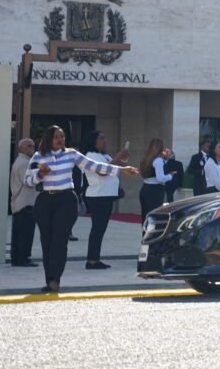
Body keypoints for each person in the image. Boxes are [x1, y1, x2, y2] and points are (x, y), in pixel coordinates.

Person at [25, 125, 138, 293]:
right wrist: (40, 175)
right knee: (47, 241)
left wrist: (121, 169)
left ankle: (55, 279)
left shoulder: (71, 153)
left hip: (66, 199)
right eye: (56, 136)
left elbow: (95, 166)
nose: (60, 139)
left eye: (62, 136)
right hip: (45, 200)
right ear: (49, 139)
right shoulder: (38, 156)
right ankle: (49, 279)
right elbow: (28, 181)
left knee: (60, 241)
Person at [82, 130, 130, 270]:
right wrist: (119, 155)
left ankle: (94, 258)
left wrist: (123, 158)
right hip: (98, 195)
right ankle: (92, 260)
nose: (105, 140)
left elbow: (114, 167)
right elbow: (102, 171)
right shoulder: (90, 155)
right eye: (101, 138)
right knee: (97, 229)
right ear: (94, 141)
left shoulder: (105, 156)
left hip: (105, 195)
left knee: (100, 229)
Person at [9, 138, 38, 267]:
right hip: (25, 203)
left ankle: (17, 258)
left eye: (33, 146)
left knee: (19, 232)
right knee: (25, 233)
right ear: (21, 148)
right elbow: (29, 182)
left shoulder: (23, 162)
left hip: (20, 203)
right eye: (29, 146)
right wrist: (41, 175)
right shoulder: (24, 163)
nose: (32, 148)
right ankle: (22, 258)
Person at [139, 138, 176, 220]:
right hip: (155, 191)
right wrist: (170, 176)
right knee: (155, 216)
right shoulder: (158, 160)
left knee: (146, 216)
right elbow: (160, 178)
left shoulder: (146, 159)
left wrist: (165, 159)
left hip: (145, 188)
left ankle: (145, 232)